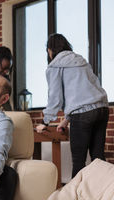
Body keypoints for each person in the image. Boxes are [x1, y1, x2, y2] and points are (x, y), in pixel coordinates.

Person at [35, 33, 109, 178]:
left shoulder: (54, 66)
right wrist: (67, 119)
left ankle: (75, 199)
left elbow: (55, 99)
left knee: (79, 163)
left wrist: (45, 122)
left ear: (50, 49)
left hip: (83, 115)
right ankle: (102, 198)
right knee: (98, 160)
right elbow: (85, 92)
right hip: (102, 109)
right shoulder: (80, 60)